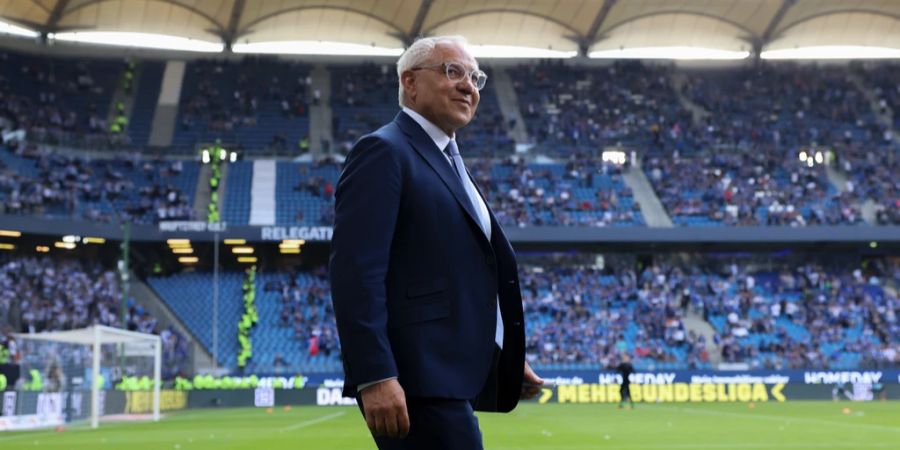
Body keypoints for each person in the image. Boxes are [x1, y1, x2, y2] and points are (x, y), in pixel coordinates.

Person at [330, 35, 542, 450]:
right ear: (410, 83)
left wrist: (501, 357)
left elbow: (457, 276)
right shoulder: (383, 151)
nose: (469, 85)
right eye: (452, 71)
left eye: (475, 76)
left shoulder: (448, 161)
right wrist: (375, 376)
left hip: (445, 378)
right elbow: (356, 272)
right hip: (414, 382)